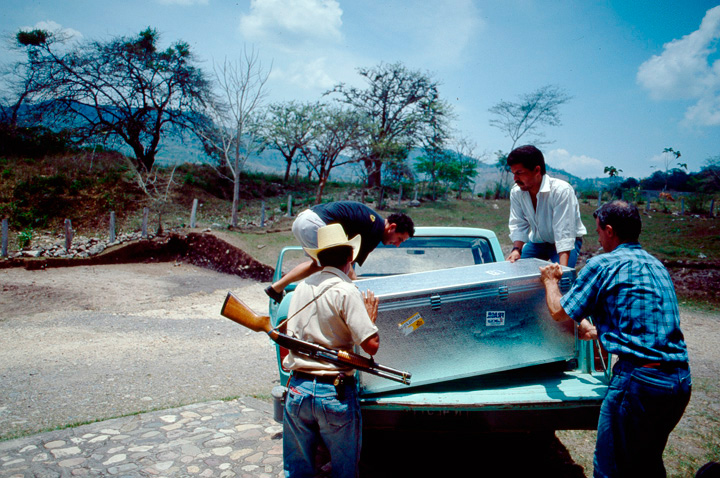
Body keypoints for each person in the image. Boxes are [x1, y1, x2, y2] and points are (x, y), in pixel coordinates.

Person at [539, 200, 691, 477]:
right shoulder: (656, 265)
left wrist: (550, 281)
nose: (597, 237)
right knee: (647, 462)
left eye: (597, 231)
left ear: (609, 230)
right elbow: (640, 318)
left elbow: (559, 313)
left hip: (639, 381)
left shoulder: (603, 264)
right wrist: (598, 329)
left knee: (611, 468)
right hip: (678, 381)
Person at [282, 223, 380, 478]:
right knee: (344, 471)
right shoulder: (347, 290)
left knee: (297, 470)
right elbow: (371, 347)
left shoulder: (301, 287)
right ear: (349, 258)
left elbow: (287, 339)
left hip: (297, 388)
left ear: (319, 258)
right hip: (333, 392)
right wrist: (370, 319)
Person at [265, 201, 414, 303]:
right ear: (392, 227)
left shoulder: (373, 222)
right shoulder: (375, 230)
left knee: (319, 265)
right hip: (316, 223)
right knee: (335, 266)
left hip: (303, 220)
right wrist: (360, 296)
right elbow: (349, 266)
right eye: (399, 238)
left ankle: (276, 288)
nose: (397, 245)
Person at [505, 145, 586, 267]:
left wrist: (562, 271)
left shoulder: (561, 190)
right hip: (538, 241)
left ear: (537, 170)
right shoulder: (517, 192)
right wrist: (516, 249)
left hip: (565, 242)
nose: (515, 178)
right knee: (516, 271)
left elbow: (564, 231)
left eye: (519, 173)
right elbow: (518, 223)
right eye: (513, 174)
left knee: (561, 280)